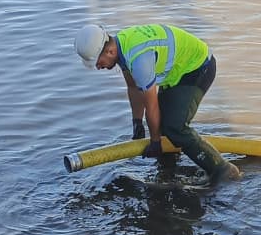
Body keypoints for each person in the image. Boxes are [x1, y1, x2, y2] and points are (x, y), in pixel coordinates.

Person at [74, 21, 241, 185]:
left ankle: (223, 170)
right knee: (160, 126)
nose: (98, 67)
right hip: (177, 72)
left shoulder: (139, 60)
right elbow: (133, 87)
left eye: (98, 62)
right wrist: (137, 123)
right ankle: (168, 170)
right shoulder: (121, 45)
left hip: (198, 68)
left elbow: (151, 105)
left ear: (109, 51)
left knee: (175, 127)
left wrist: (154, 142)